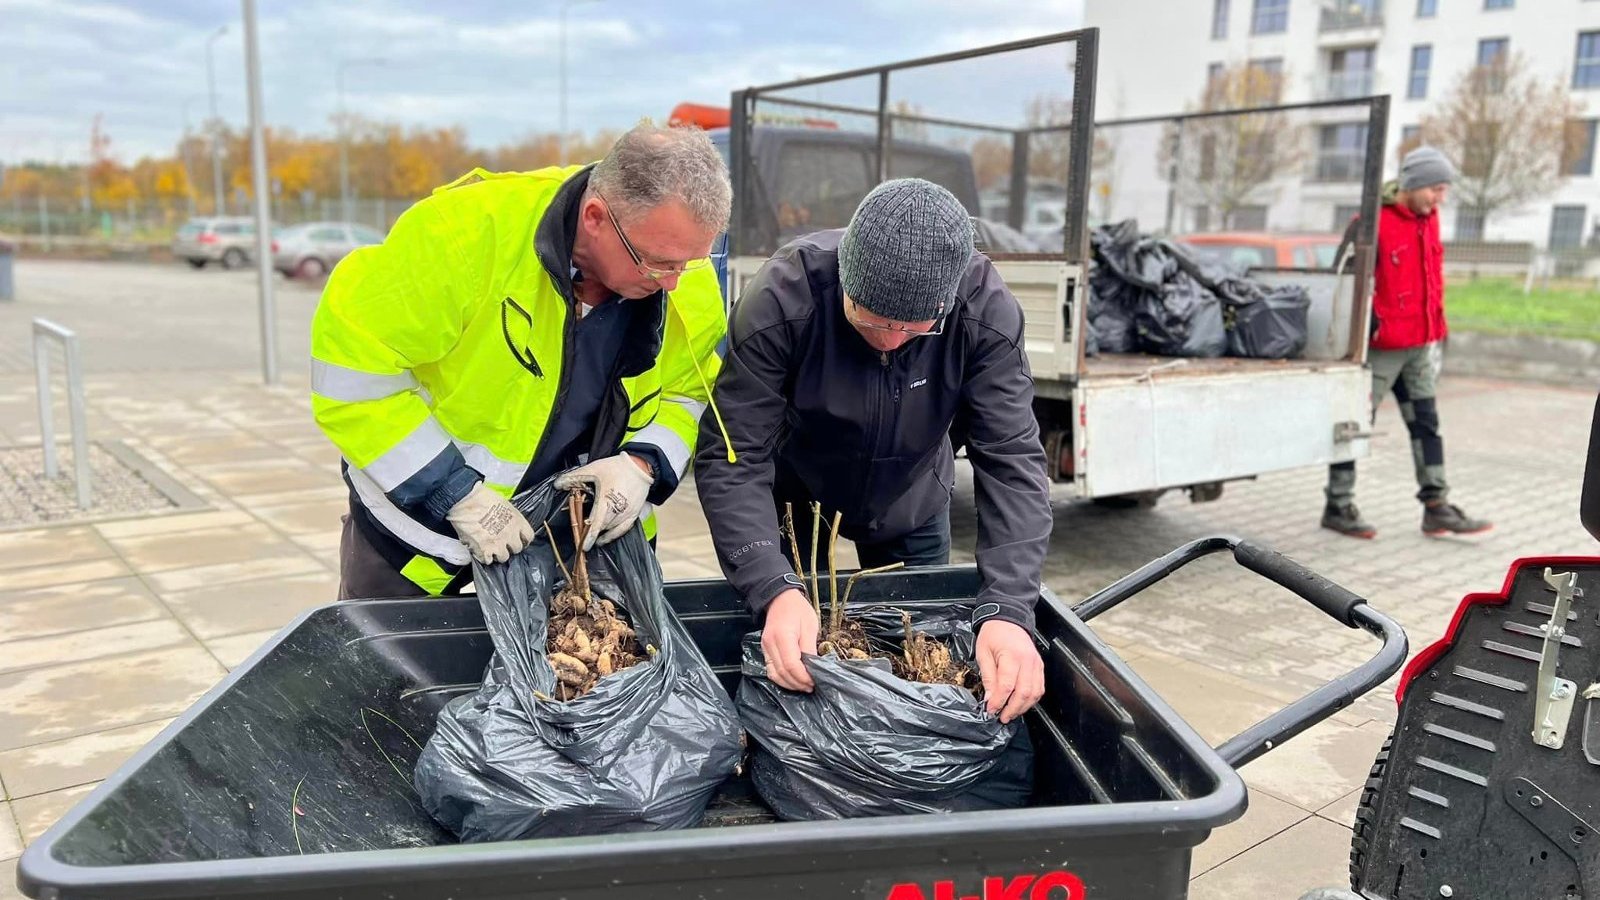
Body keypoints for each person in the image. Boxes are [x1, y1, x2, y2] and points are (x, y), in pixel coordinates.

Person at [311, 123, 731, 599]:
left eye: (689, 262)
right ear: (595, 217)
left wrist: (642, 465)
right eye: (657, 263)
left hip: (583, 542)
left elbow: (692, 395)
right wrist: (455, 494)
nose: (674, 282)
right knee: (395, 669)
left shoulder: (680, 271)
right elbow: (355, 379)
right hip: (419, 534)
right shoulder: (462, 236)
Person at [695, 178, 1052, 723]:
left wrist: (1009, 608)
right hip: (799, 501)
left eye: (913, 330)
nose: (887, 340)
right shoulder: (783, 297)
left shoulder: (984, 311)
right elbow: (734, 454)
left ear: (946, 305)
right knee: (795, 649)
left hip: (912, 497)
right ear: (845, 278)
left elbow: (1012, 459)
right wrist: (771, 585)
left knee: (916, 650)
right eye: (868, 318)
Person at [1323, 146, 1491, 539]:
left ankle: (1436, 506)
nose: (1440, 198)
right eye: (1435, 189)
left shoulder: (1428, 219)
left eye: (1444, 190)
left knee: (1426, 424)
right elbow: (1342, 281)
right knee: (1356, 424)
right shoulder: (1369, 223)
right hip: (1380, 350)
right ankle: (1337, 505)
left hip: (1419, 347)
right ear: (1412, 184)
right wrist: (1365, 329)